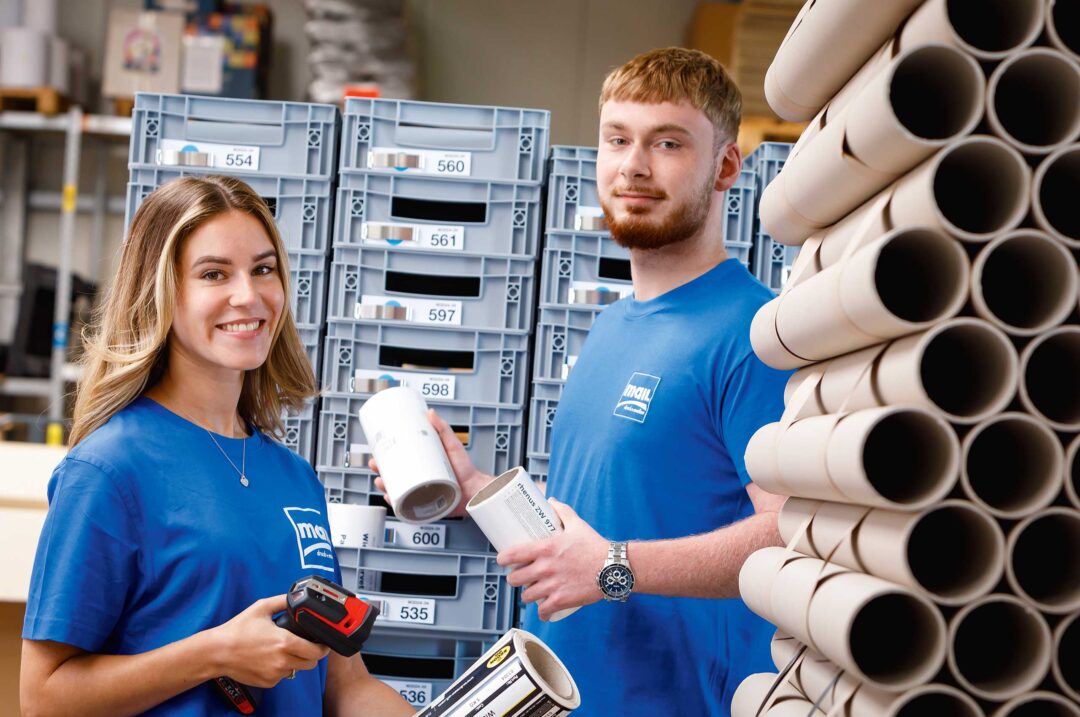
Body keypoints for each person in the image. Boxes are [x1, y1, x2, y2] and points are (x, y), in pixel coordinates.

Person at [382, 48, 792, 716]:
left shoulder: (752, 335)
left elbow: (789, 534)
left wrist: (614, 565)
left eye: (668, 142)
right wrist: (476, 492)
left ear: (725, 167)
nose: (634, 165)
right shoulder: (612, 327)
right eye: (618, 139)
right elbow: (602, 519)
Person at [20, 176, 413, 717]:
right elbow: (43, 698)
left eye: (263, 269)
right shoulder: (110, 469)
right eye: (213, 274)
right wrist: (212, 655)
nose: (248, 296)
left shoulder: (293, 477)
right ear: (161, 292)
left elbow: (344, 683)